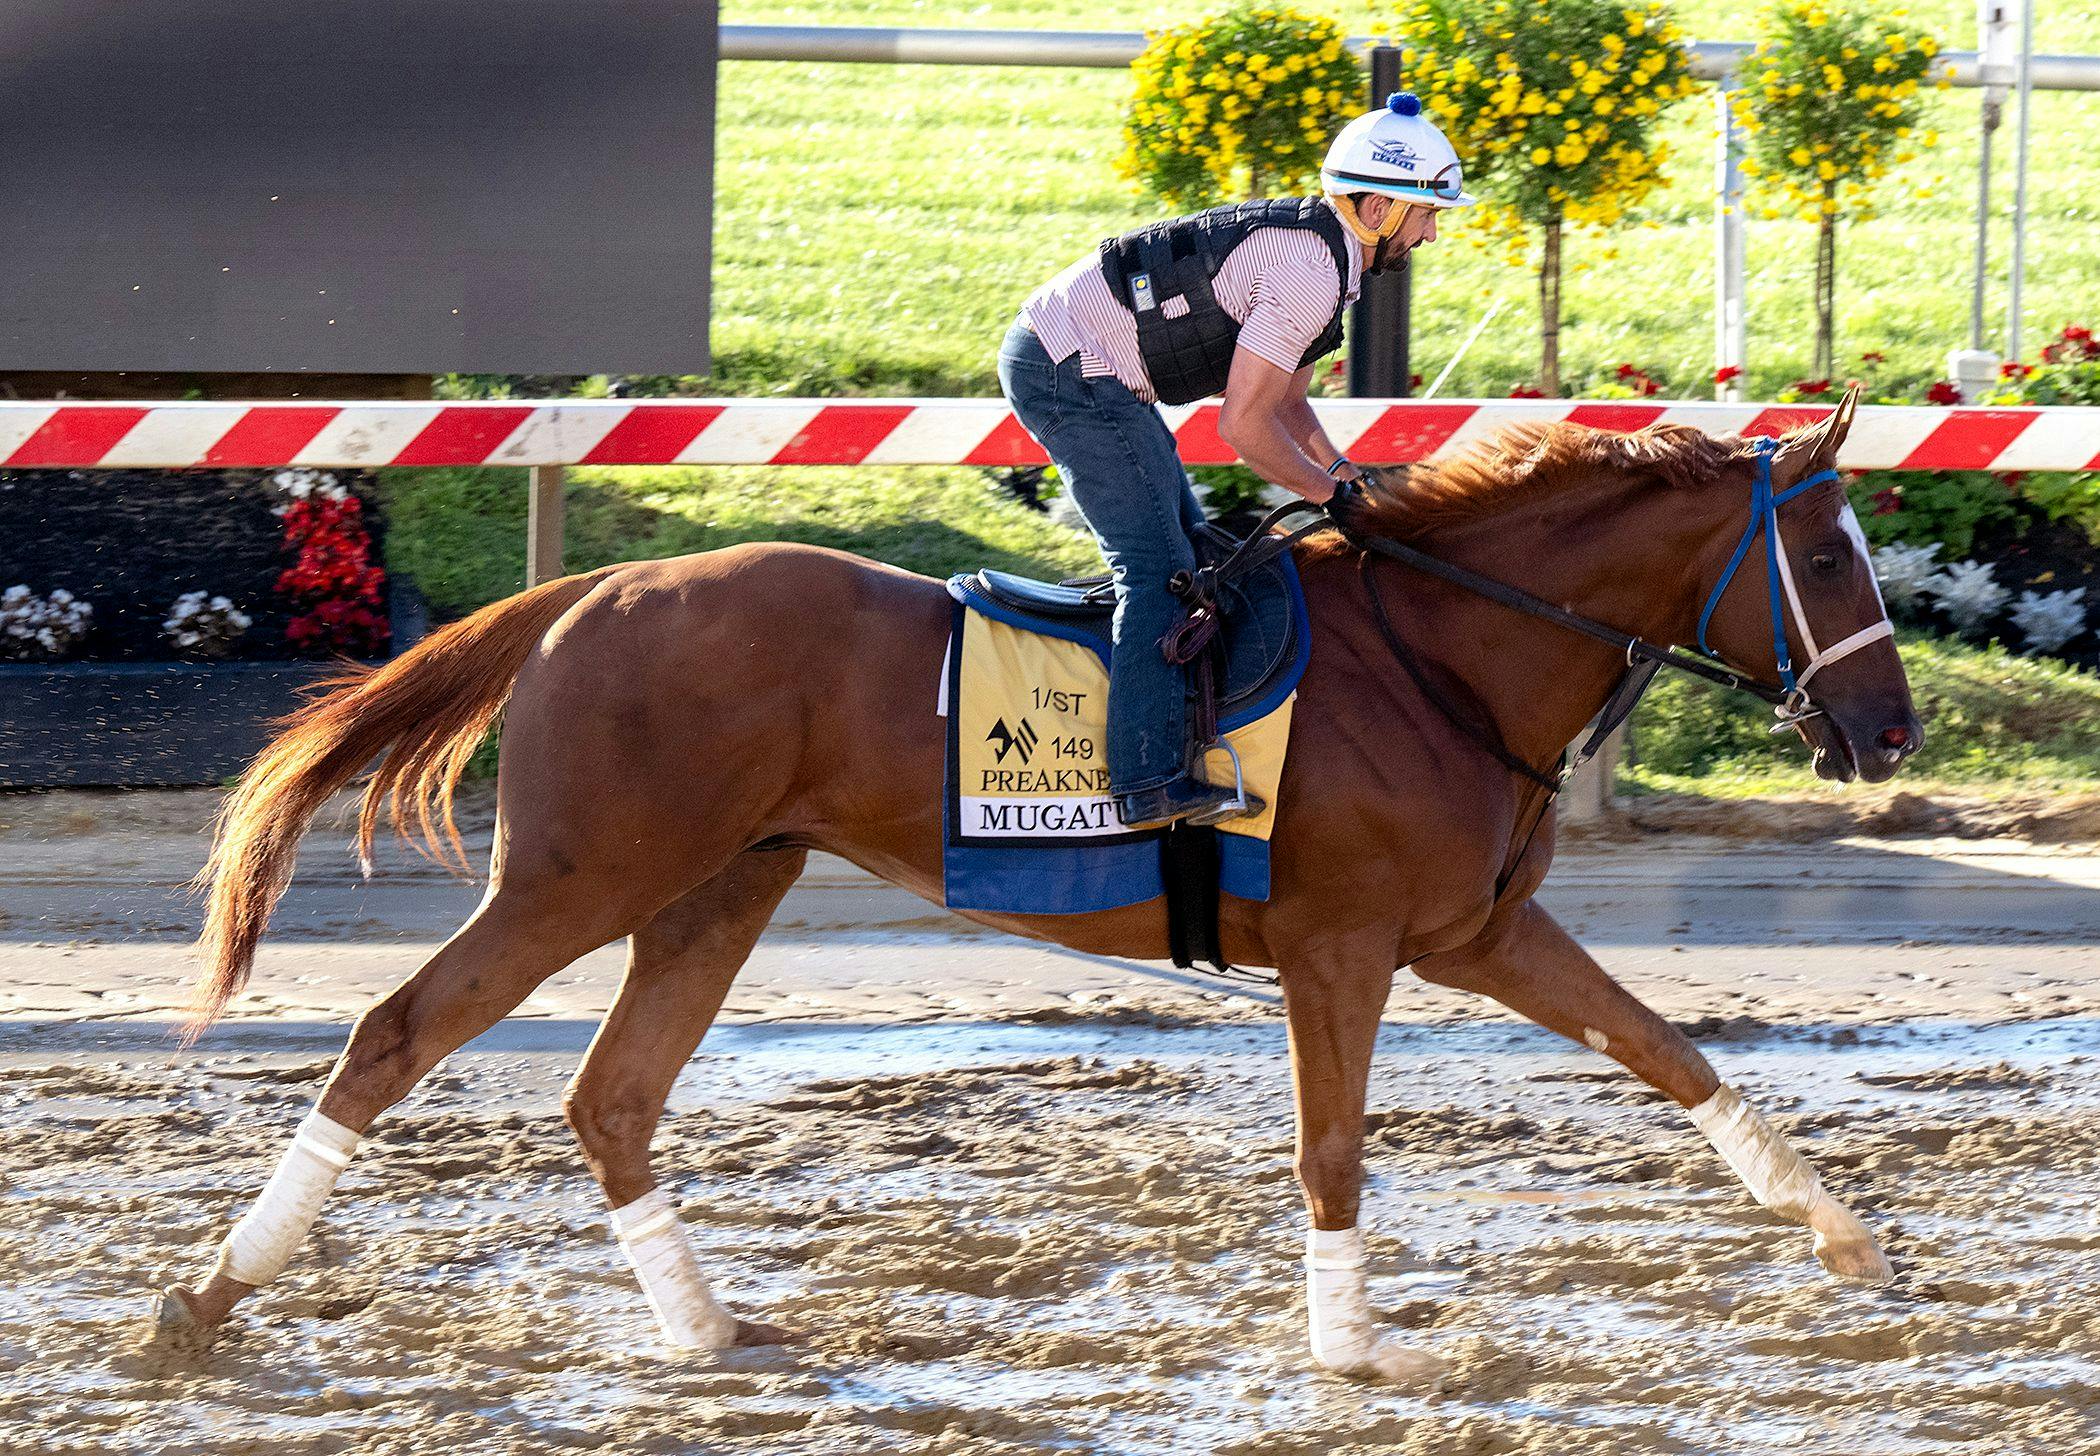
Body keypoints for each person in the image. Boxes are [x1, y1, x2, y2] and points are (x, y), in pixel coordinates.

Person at [998, 92, 1477, 831]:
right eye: (1427, 215)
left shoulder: (1327, 254)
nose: (1433, 235)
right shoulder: (1309, 271)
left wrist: (1345, 477)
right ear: (1378, 209)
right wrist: (1330, 496)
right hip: (1068, 368)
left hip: (1087, 363)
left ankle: (1165, 731)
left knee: (1188, 556)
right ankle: (1145, 782)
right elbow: (1243, 427)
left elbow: (1286, 403)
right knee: (1159, 571)